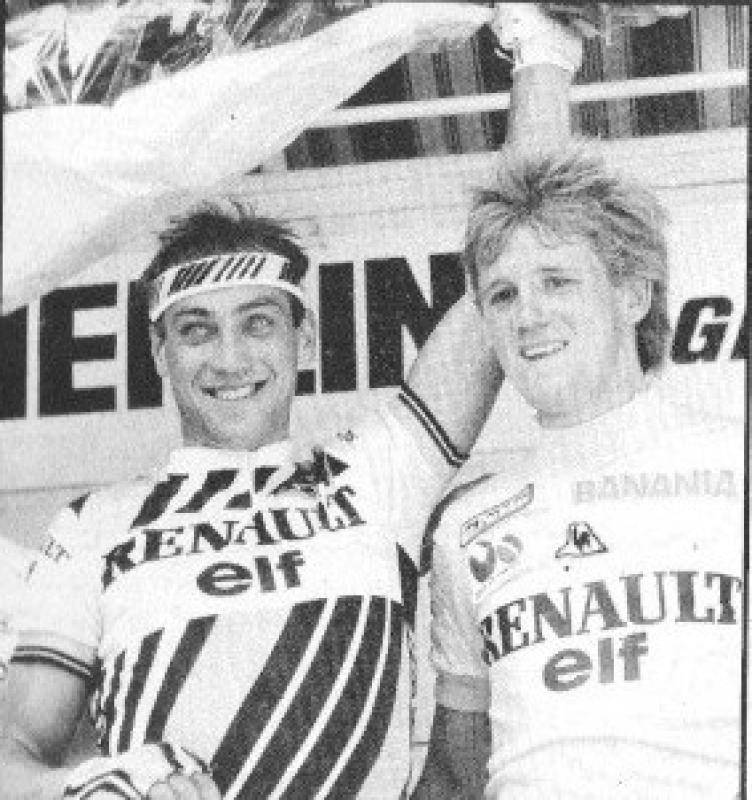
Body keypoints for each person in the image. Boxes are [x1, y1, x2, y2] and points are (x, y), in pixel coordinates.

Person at [0, 201, 502, 799]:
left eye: (257, 322)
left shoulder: (377, 475)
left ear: (304, 338)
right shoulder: (94, 525)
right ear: (160, 353)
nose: (230, 358)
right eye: (197, 329)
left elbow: (509, 263)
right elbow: (13, 756)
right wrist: (86, 788)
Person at [411, 141, 744, 799]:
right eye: (503, 295)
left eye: (556, 281)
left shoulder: (736, 466)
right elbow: (453, 778)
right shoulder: (468, 526)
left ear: (633, 293)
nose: (528, 315)